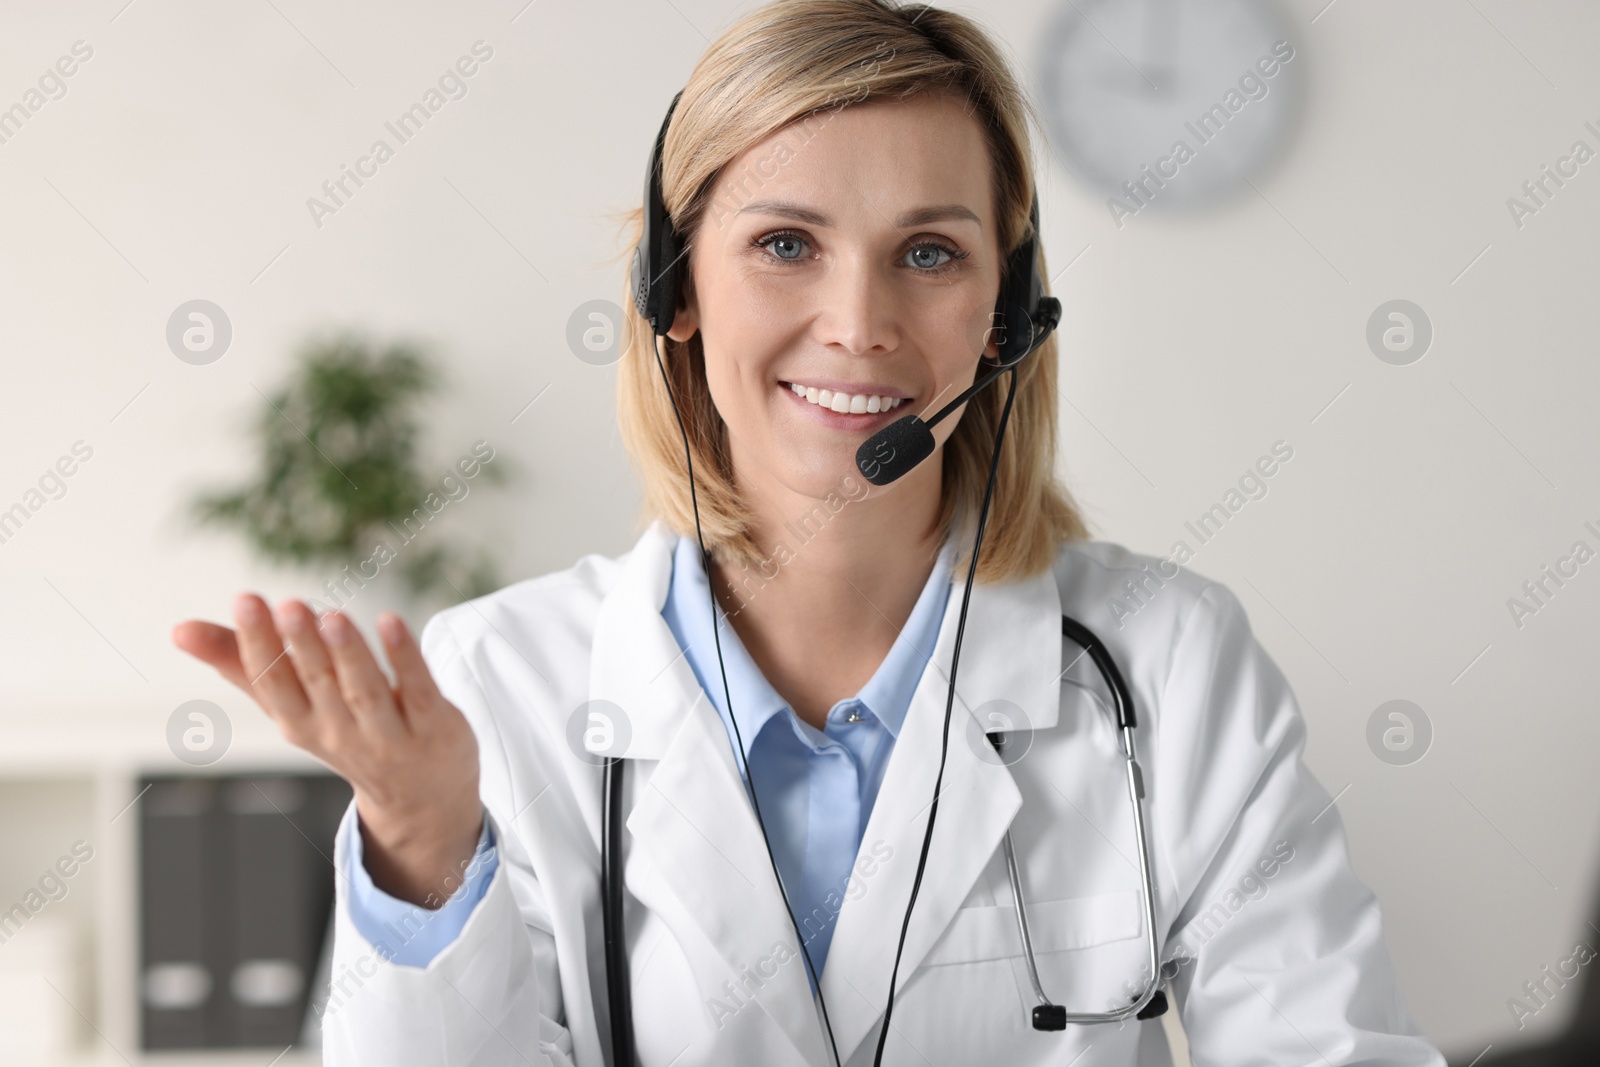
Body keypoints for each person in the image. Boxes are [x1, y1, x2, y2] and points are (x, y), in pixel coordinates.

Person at [171, 1, 1449, 1064]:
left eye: (931, 254)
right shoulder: (502, 679)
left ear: (1007, 316)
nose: (859, 321)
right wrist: (421, 841)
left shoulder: (1166, 662)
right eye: (785, 242)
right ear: (671, 292)